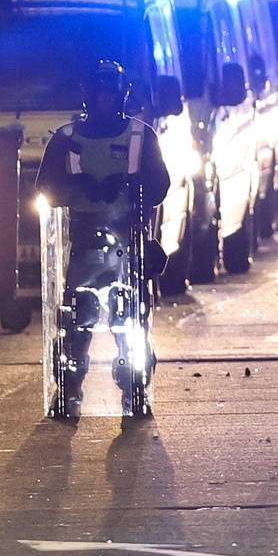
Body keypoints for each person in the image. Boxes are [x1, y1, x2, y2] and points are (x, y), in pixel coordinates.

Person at [36, 60, 172, 417]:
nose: (103, 99)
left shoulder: (140, 136)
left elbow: (160, 186)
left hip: (128, 239)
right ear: (86, 95)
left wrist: (128, 185)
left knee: (130, 322)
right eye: (97, 92)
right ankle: (67, 392)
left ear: (123, 94)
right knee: (76, 322)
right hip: (83, 240)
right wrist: (78, 186)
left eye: (110, 92)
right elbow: (45, 189)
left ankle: (135, 389)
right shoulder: (66, 140)